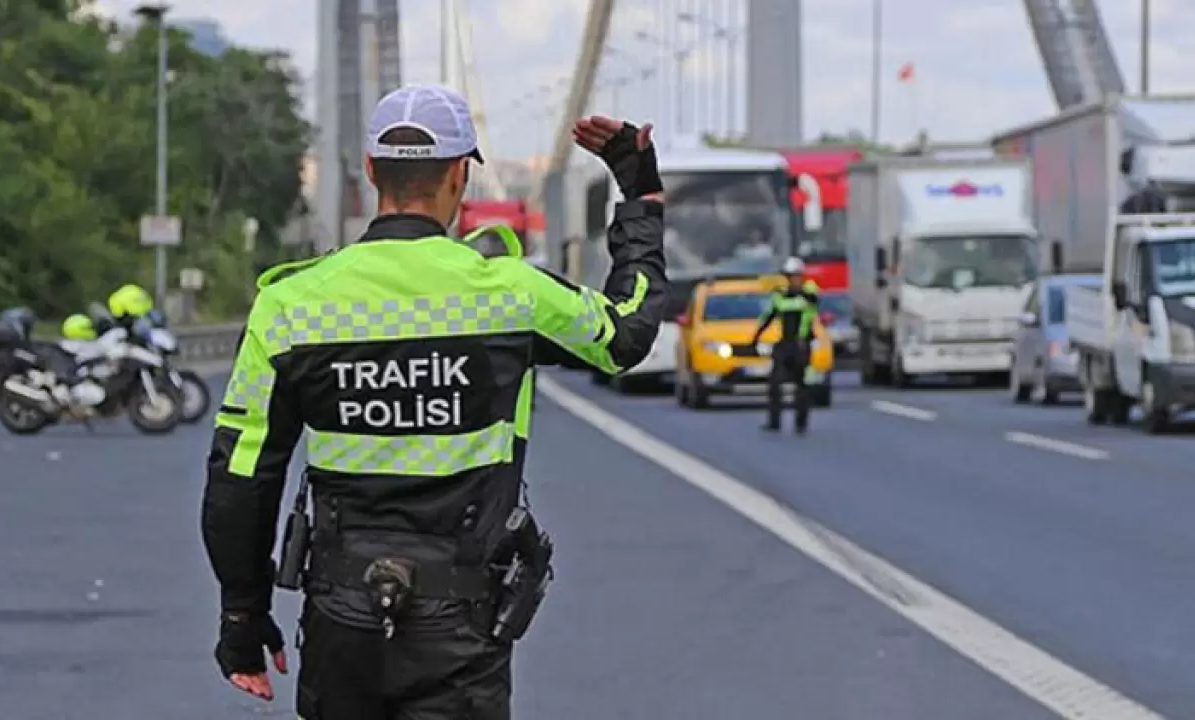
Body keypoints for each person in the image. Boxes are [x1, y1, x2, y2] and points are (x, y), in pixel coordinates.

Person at [200, 83, 667, 720]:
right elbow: (626, 334)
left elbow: (240, 477)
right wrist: (639, 196)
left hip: (341, 621)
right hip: (462, 628)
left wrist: (243, 617)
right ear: (459, 176)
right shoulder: (509, 294)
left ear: (371, 172)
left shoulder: (290, 306)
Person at [750, 256, 821, 434]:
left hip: (802, 344)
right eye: (790, 277)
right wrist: (756, 337)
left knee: (802, 386)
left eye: (796, 276)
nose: (793, 280)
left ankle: (801, 423)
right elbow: (768, 317)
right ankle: (774, 421)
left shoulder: (809, 294)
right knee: (775, 383)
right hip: (785, 343)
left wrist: (795, 292)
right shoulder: (780, 296)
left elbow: (811, 301)